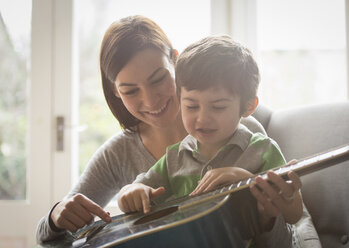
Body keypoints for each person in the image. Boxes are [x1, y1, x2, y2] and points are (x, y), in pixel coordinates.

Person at [35, 15, 267, 243]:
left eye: (158, 80)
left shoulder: (239, 129)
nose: (150, 101)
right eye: (130, 91)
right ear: (115, 91)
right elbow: (48, 237)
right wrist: (56, 216)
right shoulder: (118, 153)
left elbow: (284, 227)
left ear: (176, 62)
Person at [117, 35, 303, 247]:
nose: (202, 118)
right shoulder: (174, 157)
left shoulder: (264, 150)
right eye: (191, 106)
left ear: (248, 106)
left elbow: (294, 216)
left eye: (218, 107)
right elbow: (137, 188)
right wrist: (130, 192)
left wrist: (246, 179)